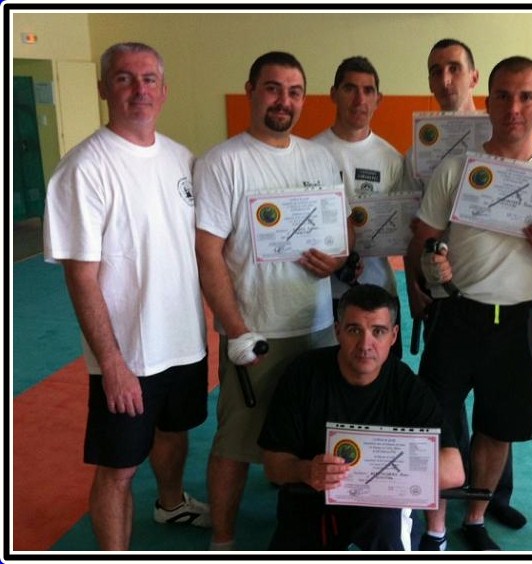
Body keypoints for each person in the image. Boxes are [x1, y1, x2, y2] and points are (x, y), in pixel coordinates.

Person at [407, 55, 532, 550]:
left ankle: (476, 517)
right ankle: (436, 525)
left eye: (527, 97)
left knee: (497, 427)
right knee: (436, 420)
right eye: (504, 96)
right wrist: (432, 269)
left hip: (518, 318)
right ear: (488, 102)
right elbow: (424, 239)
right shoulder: (457, 169)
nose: (514, 108)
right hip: (456, 313)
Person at [43, 42, 210, 550]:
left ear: (164, 89)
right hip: (129, 354)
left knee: (174, 431)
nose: (140, 90)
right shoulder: (83, 169)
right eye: (124, 78)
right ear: (103, 88)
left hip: (185, 342)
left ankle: (171, 502)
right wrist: (112, 363)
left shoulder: (182, 159)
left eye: (149, 79)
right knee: (117, 469)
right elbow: (81, 277)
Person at [193, 51, 353, 551]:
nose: (284, 101)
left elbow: (340, 233)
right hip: (257, 330)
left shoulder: (319, 158)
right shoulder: (223, 162)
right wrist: (236, 329)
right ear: (250, 91)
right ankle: (223, 540)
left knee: (313, 435)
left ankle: (312, 530)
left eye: (294, 92)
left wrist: (337, 257)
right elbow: (207, 252)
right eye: (273, 88)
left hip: (317, 326)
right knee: (237, 442)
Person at [403, 39, 528, 545]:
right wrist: (415, 285)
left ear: (475, 78)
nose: (446, 79)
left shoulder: (503, 131)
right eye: (436, 70)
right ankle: (450, 493)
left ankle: (493, 496)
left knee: (499, 409)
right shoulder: (420, 147)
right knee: (445, 403)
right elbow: (414, 225)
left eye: (455, 68)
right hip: (444, 288)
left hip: (497, 286)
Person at [257, 284, 465, 550]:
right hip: (313, 499)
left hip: (381, 508)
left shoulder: (406, 387)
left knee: (384, 522)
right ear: (337, 331)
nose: (366, 345)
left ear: (394, 336)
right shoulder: (303, 375)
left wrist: (378, 476)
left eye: (378, 331)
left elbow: (453, 472)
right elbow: (274, 465)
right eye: (354, 330)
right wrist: (306, 470)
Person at [313, 56, 405, 358]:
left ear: (379, 99)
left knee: (382, 381)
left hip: (379, 294)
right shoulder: (310, 154)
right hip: (325, 297)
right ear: (333, 94)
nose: (359, 99)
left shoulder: (392, 159)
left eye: (368, 90)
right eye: (350, 88)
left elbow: (403, 232)